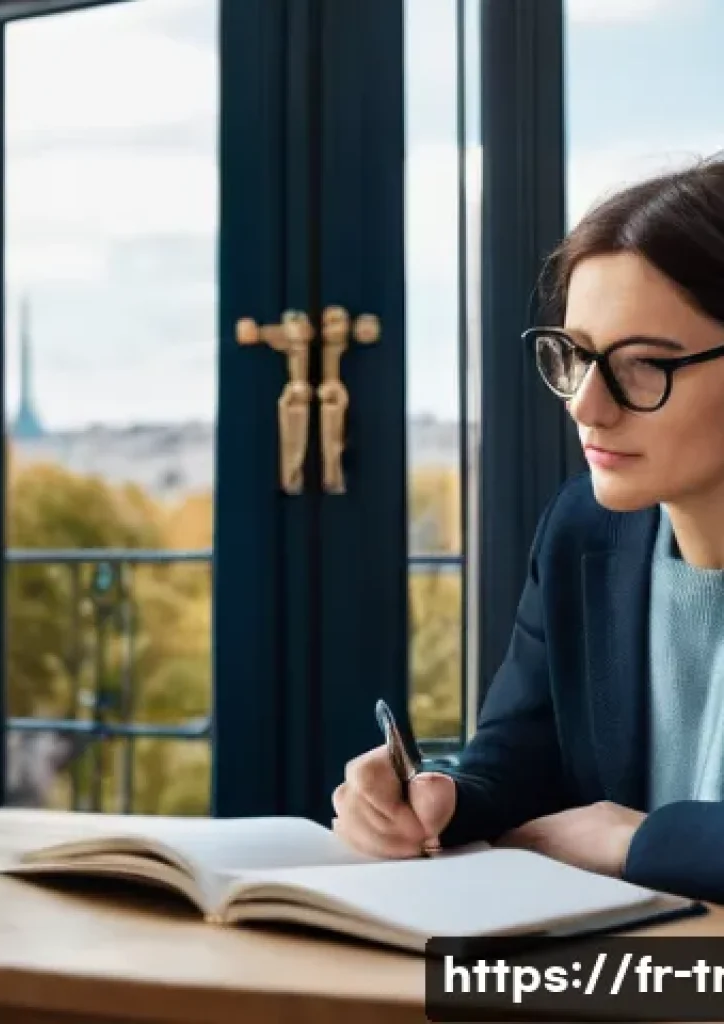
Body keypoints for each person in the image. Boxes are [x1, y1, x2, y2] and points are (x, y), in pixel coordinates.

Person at [331, 156, 724, 905]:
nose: (586, 405)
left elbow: (601, 834)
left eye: (643, 366)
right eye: (576, 356)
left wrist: (634, 840)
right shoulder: (584, 530)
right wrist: (439, 795)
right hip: (630, 986)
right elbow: (521, 758)